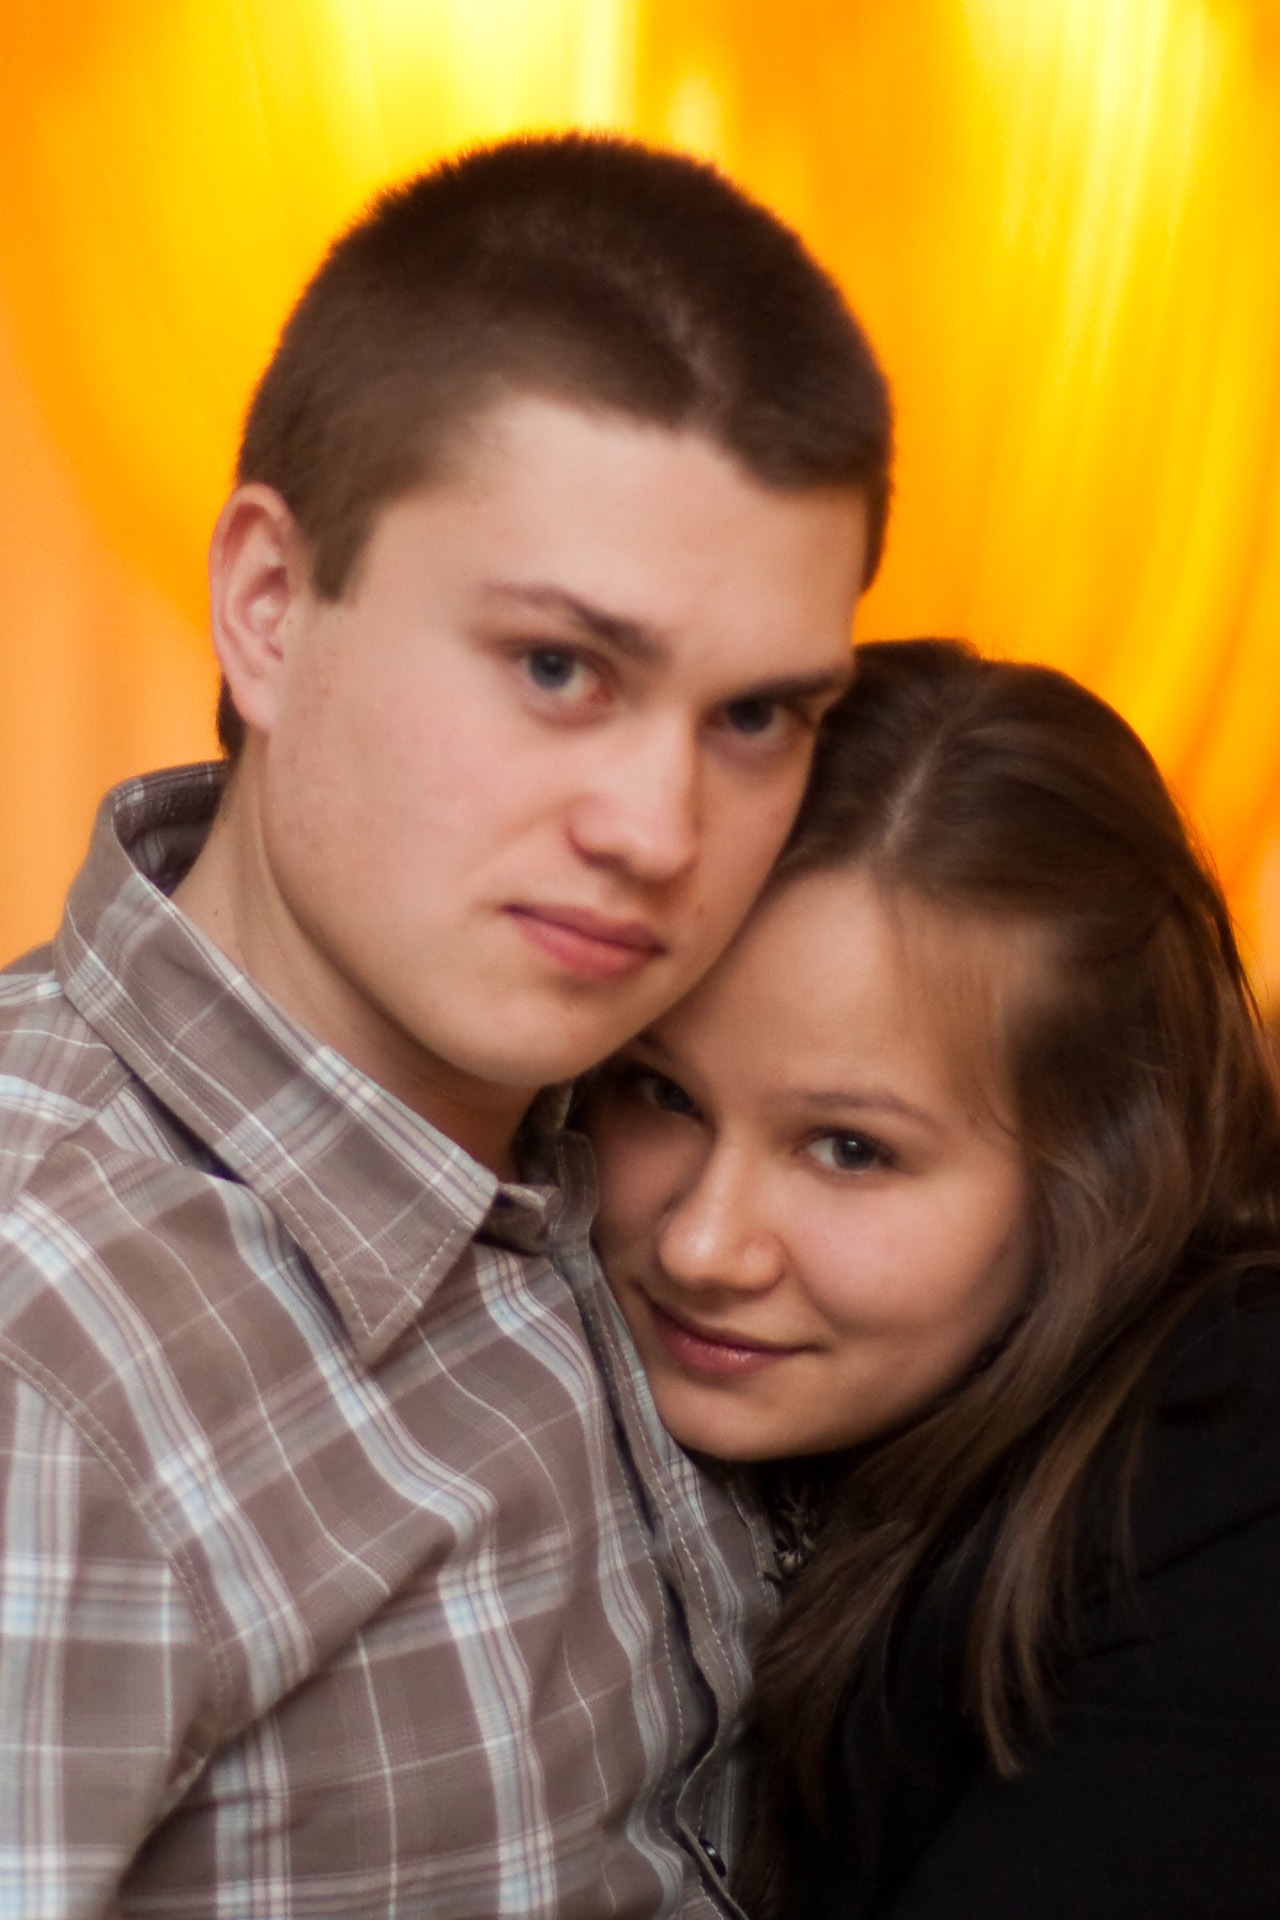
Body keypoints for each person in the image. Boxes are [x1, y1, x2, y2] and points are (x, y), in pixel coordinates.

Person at [0, 135, 890, 1917]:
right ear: (269, 606)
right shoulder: (49, 1363)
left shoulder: (633, 1142)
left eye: (756, 717)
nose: (659, 830)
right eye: (559, 668)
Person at [587, 638, 1280, 1919]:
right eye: (661, 1093)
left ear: (1093, 1179)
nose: (700, 1246)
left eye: (850, 1149)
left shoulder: (1224, 1497)